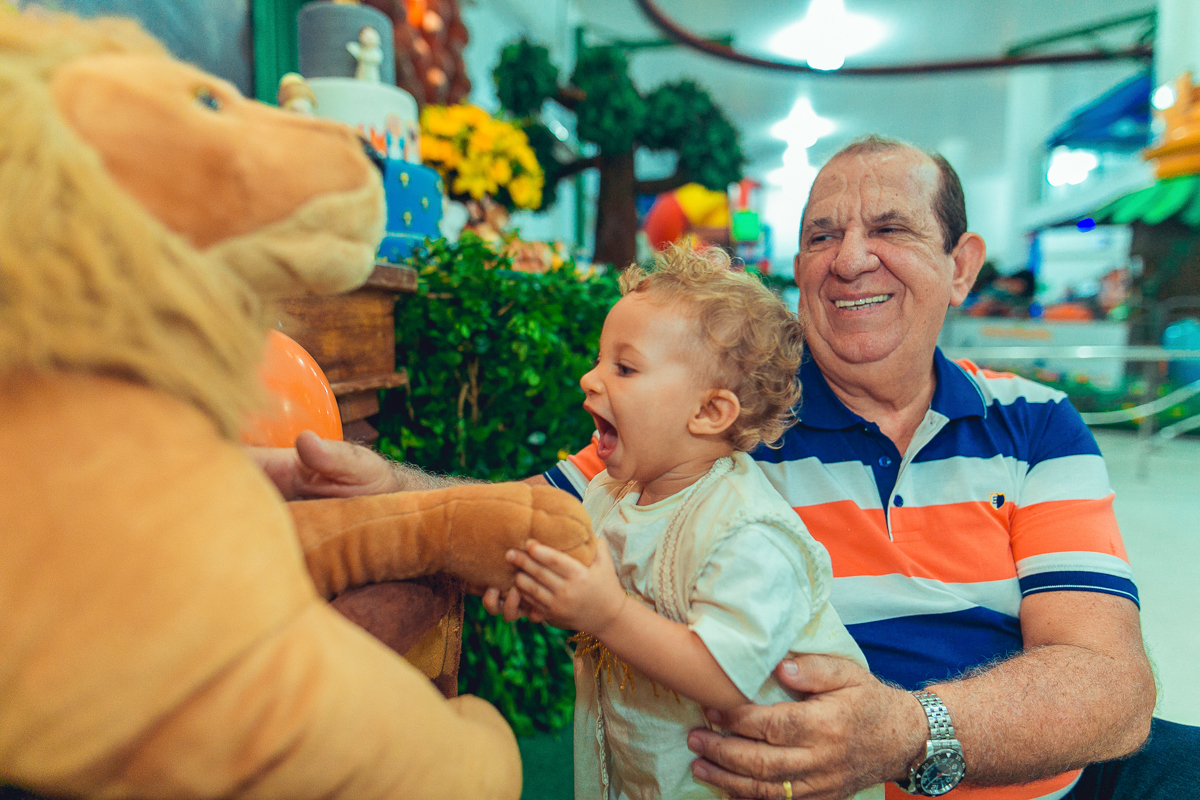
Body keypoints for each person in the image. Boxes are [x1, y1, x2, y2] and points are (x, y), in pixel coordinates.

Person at [253, 135, 1196, 800]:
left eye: (891, 229)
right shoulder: (724, 431)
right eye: (821, 234)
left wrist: (907, 733)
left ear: (961, 264)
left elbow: (1109, 685)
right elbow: (525, 516)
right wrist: (376, 488)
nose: (849, 257)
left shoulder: (1036, 423)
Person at [500, 244, 881, 800]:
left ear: (708, 413)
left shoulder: (748, 531)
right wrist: (539, 585)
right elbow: (582, 578)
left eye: (624, 367)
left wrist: (604, 612)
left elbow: (727, 677)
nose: (590, 379)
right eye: (600, 359)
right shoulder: (610, 492)